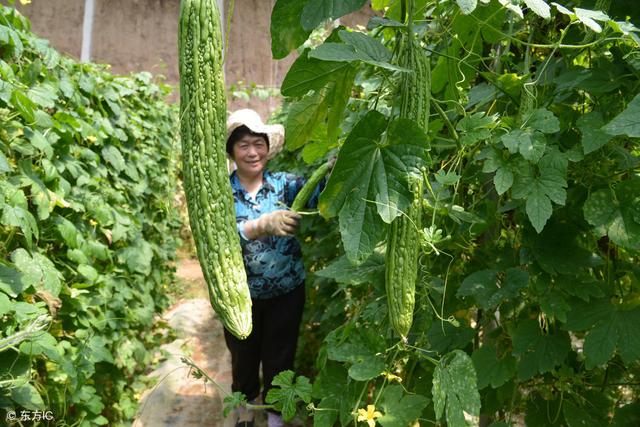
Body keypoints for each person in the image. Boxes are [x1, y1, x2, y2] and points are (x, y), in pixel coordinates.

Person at [224, 109, 326, 427]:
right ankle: (244, 412)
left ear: (268, 148)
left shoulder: (285, 185)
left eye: (259, 143)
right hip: (240, 295)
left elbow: (320, 197)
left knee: (280, 361)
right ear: (231, 151)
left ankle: (275, 418)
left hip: (287, 290)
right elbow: (218, 238)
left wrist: (333, 170)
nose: (252, 152)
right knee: (243, 360)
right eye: (243, 145)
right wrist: (259, 225)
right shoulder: (221, 193)